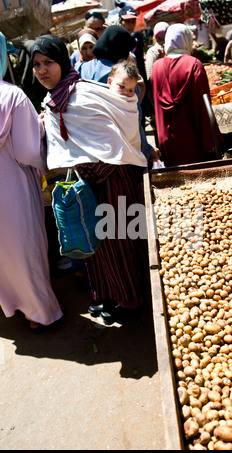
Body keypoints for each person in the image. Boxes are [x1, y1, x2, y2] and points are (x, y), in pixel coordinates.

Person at [31, 34, 149, 326]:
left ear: (61, 61)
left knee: (119, 241)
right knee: (94, 244)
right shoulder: (53, 100)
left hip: (111, 179)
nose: (42, 70)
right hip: (87, 184)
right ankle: (107, 295)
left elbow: (112, 140)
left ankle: (130, 299)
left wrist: (89, 173)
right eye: (36, 64)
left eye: (48, 62)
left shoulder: (81, 94)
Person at [0, 32, 63, 330]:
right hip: (11, 185)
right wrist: (39, 133)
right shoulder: (12, 96)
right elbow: (27, 151)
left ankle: (9, 304)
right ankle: (38, 313)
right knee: (26, 247)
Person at [77, 25, 160, 163]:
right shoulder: (123, 78)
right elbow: (133, 119)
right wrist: (146, 149)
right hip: (118, 154)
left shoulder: (81, 69)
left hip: (86, 149)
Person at [150, 23, 221, 167]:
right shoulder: (194, 64)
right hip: (192, 140)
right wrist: (210, 141)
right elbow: (202, 106)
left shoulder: (156, 67)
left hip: (167, 140)